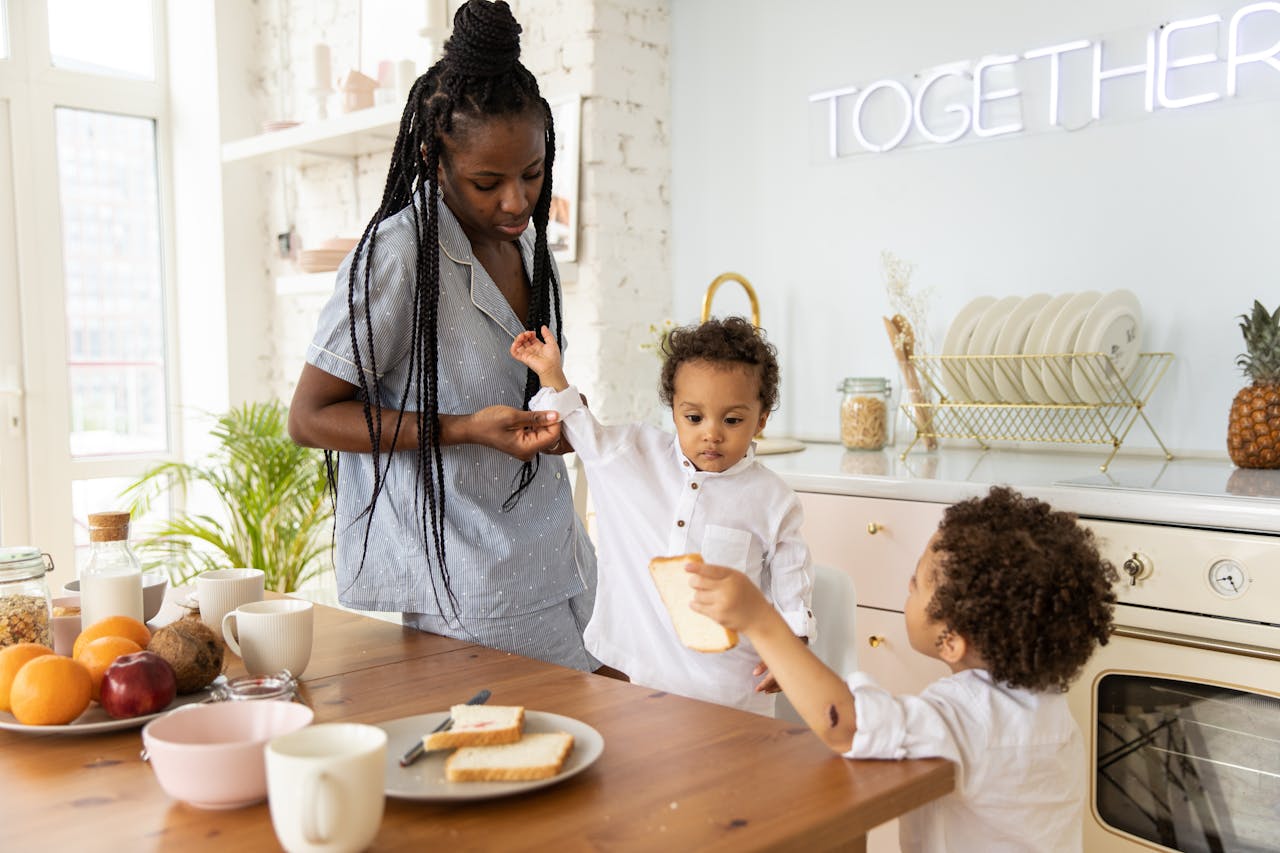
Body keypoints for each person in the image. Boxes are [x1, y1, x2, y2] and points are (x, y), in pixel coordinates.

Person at [287, 0, 598, 672]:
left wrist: (558, 420)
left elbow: (527, 385)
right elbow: (310, 417)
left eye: (533, 174)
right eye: (488, 182)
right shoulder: (399, 256)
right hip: (468, 591)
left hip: (560, 562)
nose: (516, 201)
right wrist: (462, 428)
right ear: (433, 157)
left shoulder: (531, 248)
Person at [688, 486, 1118, 852]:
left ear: (951, 640)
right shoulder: (1049, 708)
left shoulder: (968, 718)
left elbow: (848, 725)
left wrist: (761, 620)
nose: (906, 588)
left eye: (916, 583)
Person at [509, 316, 814, 715]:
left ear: (761, 420)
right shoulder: (632, 454)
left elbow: (793, 575)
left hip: (731, 689)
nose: (712, 433)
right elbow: (578, 425)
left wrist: (794, 642)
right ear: (673, 412)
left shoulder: (774, 499)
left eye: (733, 420)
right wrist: (551, 372)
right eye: (694, 417)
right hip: (637, 679)